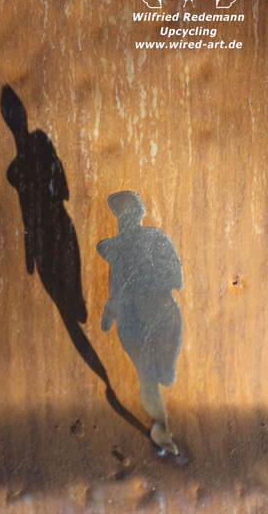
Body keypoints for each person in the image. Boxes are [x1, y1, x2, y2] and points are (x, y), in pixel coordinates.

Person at [97, 190, 183, 455]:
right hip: (133, 317)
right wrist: (110, 312)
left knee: (161, 372)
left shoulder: (154, 239)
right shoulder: (117, 247)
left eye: (130, 214)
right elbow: (116, 285)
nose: (126, 219)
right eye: (123, 215)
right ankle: (161, 428)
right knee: (147, 376)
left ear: (138, 214)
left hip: (158, 311)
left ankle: (165, 370)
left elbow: (176, 278)